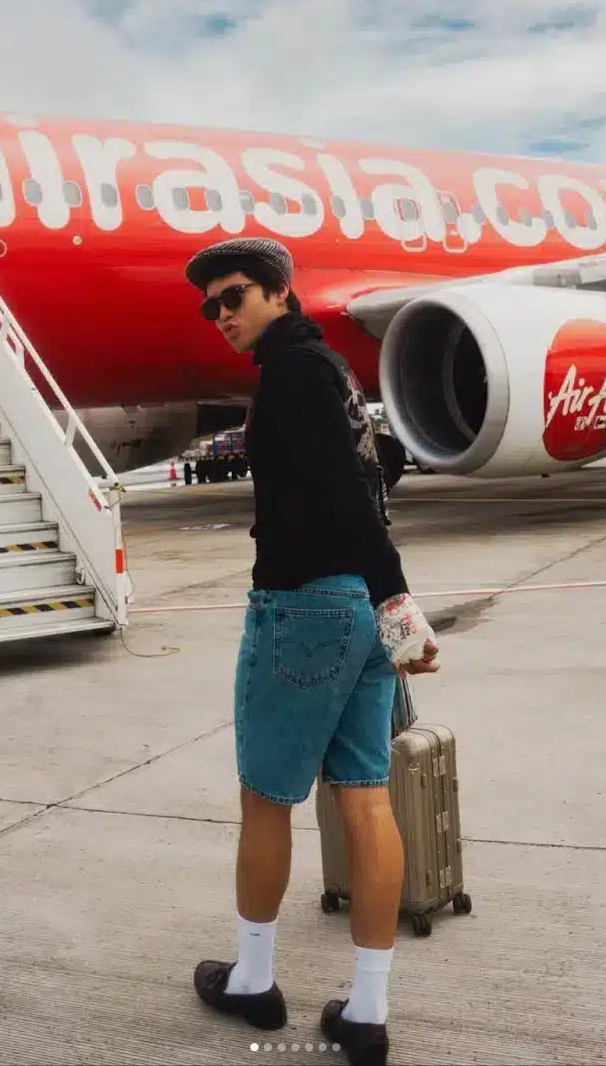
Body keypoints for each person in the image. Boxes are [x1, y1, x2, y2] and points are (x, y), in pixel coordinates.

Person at [184, 236, 437, 1066]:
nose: (221, 314)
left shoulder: (289, 375)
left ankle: (254, 981)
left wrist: (394, 593)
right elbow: (371, 482)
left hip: (304, 606)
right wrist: (389, 606)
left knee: (266, 797)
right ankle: (366, 1009)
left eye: (234, 296)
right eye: (210, 304)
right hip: (361, 608)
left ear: (279, 292)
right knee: (365, 795)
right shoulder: (330, 369)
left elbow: (338, 488)